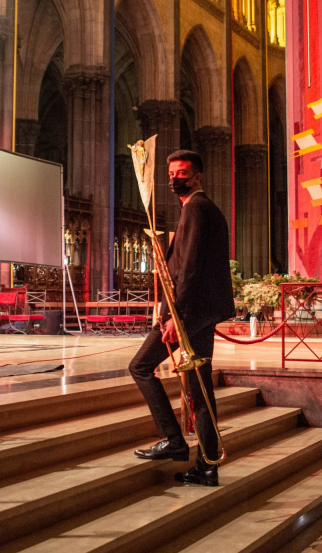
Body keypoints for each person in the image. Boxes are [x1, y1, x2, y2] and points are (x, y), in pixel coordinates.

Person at [129, 149, 235, 487]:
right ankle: (207, 465)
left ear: (198, 175)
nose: (176, 178)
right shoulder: (201, 209)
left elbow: (188, 269)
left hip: (191, 314)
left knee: (141, 367)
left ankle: (174, 441)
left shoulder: (197, 209)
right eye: (172, 173)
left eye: (183, 173)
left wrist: (177, 316)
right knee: (201, 390)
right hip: (201, 313)